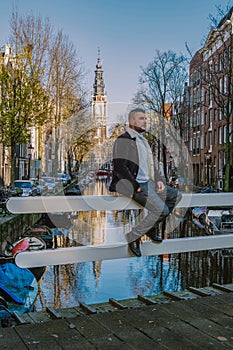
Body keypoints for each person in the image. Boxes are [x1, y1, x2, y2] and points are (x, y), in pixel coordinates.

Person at [109, 108, 182, 257]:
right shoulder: (124, 139)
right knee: (161, 210)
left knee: (176, 196)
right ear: (132, 121)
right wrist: (134, 185)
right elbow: (120, 166)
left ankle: (150, 228)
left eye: (145, 119)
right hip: (136, 185)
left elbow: (150, 165)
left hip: (148, 182)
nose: (145, 122)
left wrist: (159, 181)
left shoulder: (143, 141)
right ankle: (133, 236)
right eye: (141, 119)